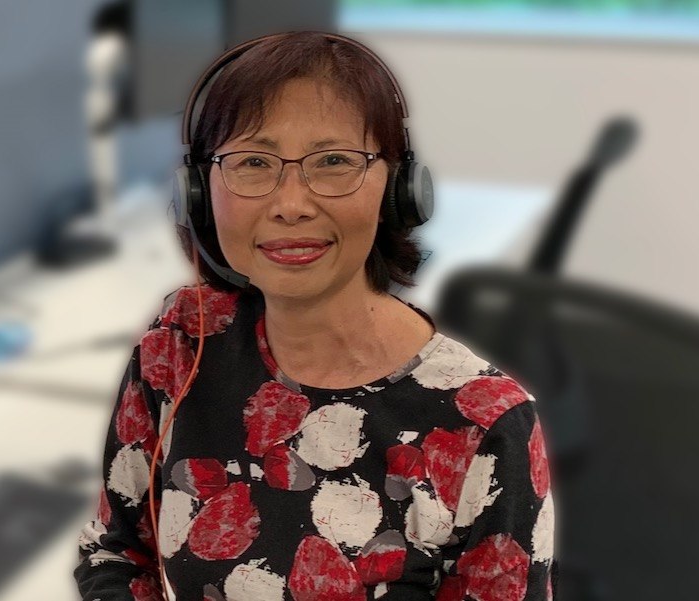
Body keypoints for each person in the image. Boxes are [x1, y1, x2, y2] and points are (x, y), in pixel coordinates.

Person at [75, 31, 555, 601]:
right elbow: (115, 551)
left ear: (398, 189)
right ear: (199, 193)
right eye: (253, 162)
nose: (291, 204)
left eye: (334, 162)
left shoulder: (485, 424)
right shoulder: (183, 344)